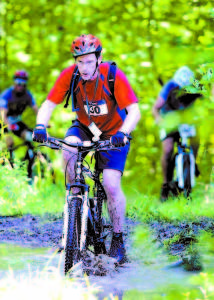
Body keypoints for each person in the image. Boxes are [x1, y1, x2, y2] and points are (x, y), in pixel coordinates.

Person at [32, 34, 141, 264]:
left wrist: (123, 133)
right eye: (79, 61)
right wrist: (40, 125)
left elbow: (134, 111)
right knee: (69, 150)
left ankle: (118, 239)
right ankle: (75, 207)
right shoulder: (70, 75)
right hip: (84, 127)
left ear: (99, 58)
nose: (83, 67)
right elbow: (48, 105)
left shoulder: (113, 76)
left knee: (111, 184)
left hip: (114, 132)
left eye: (89, 61)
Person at [152, 66, 202, 201]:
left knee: (196, 139)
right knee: (168, 150)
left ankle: (192, 163)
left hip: (186, 119)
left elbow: (208, 96)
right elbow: (155, 108)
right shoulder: (169, 86)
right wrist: (159, 120)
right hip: (169, 118)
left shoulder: (196, 86)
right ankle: (165, 184)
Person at [0, 70, 38, 162]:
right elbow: (2, 114)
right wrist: (8, 125)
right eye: (18, 83)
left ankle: (28, 164)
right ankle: (5, 161)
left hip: (16, 121)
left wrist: (43, 122)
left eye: (23, 84)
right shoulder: (6, 94)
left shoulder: (28, 95)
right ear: (14, 83)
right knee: (9, 142)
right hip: (3, 121)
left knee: (29, 136)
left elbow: (36, 109)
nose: (20, 86)